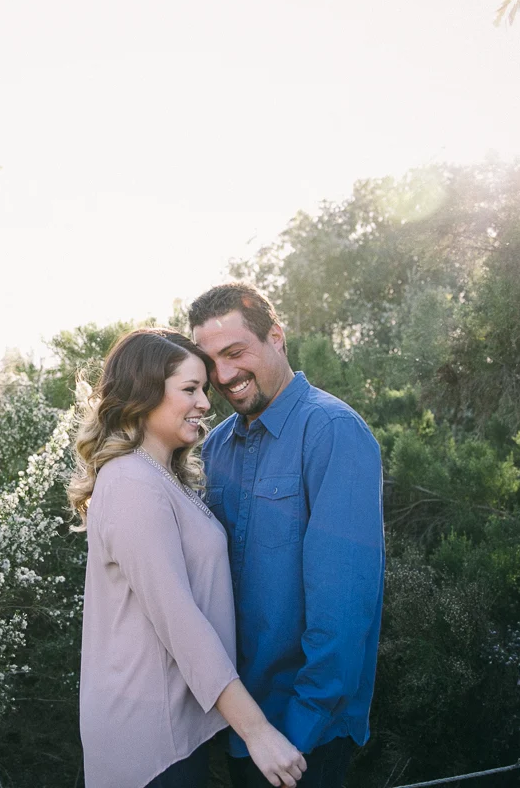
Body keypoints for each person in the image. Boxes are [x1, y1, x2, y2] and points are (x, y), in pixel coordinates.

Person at [71, 328, 308, 788]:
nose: (204, 402)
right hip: (148, 741)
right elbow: (181, 622)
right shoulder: (131, 483)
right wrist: (257, 733)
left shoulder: (160, 478)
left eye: (204, 389)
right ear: (144, 393)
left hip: (178, 724)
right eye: (189, 389)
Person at [188, 284, 385, 788]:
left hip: (304, 736)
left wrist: (295, 733)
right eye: (210, 363)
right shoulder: (214, 448)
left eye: (235, 353)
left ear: (276, 336)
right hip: (240, 727)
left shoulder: (333, 431)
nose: (224, 375)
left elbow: (342, 610)